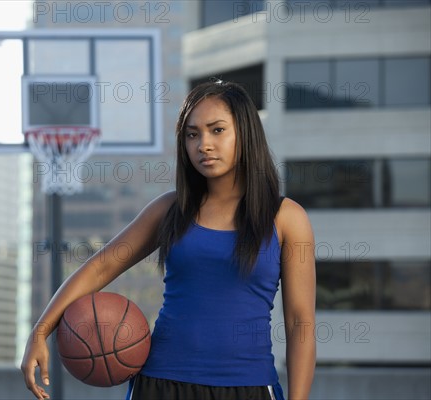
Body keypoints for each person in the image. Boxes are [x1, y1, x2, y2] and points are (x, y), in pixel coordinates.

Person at [21, 80, 316, 400]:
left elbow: (300, 322)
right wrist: (40, 331)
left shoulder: (287, 218)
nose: (203, 144)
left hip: (248, 386)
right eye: (192, 134)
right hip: (160, 385)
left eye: (217, 130)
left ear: (245, 132)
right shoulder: (170, 209)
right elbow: (99, 269)